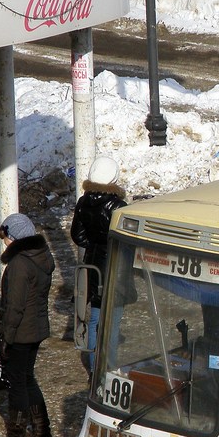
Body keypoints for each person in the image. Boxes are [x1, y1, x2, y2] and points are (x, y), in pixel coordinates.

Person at [0, 214, 55, 437]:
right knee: (27, 378)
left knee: (17, 382)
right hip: (36, 327)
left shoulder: (19, 264)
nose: (5, 242)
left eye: (6, 237)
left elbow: (14, 306)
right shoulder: (42, 256)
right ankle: (41, 429)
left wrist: (6, 336)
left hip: (20, 332)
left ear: (14, 236)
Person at [70, 156, 128, 374]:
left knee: (95, 319)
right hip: (115, 268)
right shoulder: (119, 206)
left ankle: (95, 370)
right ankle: (107, 369)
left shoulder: (84, 202)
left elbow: (78, 235)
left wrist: (94, 245)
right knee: (111, 323)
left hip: (93, 266)